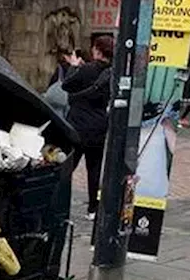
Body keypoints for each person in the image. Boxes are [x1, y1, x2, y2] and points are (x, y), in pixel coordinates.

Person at [62, 35, 113, 220]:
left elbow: (66, 85)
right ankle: (93, 208)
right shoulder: (113, 72)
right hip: (99, 126)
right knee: (94, 168)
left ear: (97, 50)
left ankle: (61, 205)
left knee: (68, 167)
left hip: (78, 126)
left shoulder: (87, 69)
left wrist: (74, 66)